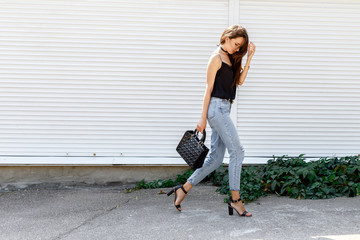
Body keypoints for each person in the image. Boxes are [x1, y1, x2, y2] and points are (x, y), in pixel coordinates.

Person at [167, 25, 256, 217]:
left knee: (215, 159)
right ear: (226, 37)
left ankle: (182, 189)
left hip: (225, 109)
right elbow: (208, 90)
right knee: (238, 152)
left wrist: (248, 58)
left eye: (240, 46)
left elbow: (239, 81)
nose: (237, 48)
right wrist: (202, 118)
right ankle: (235, 199)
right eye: (235, 44)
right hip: (216, 110)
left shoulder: (231, 58)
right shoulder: (215, 58)